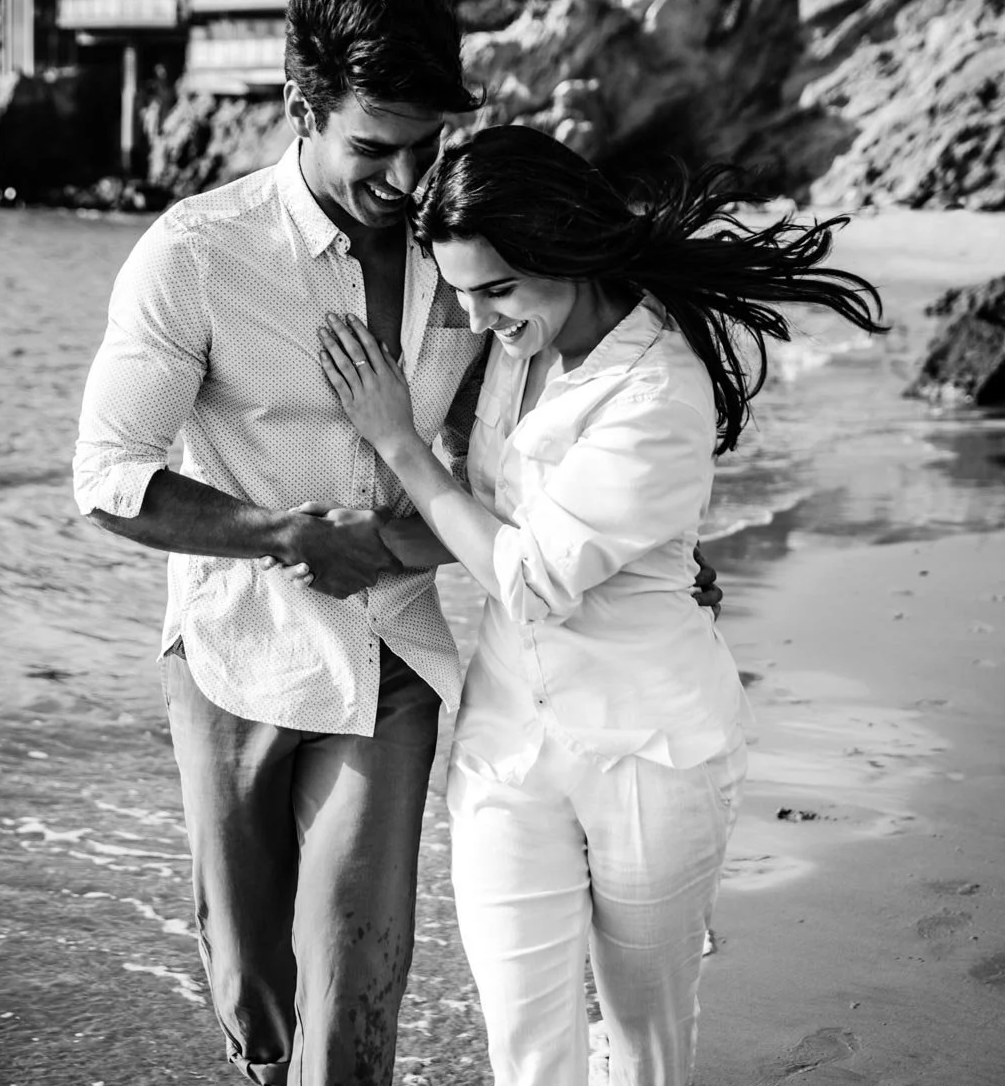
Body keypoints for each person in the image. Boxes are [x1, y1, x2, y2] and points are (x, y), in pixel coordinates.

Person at [72, 0, 722, 1085]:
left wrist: (653, 535)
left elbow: (533, 426)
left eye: (424, 145)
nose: (406, 177)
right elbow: (108, 476)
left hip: (396, 659)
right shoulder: (195, 254)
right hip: (237, 652)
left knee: (353, 989)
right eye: (375, 148)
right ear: (299, 109)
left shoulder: (461, 243)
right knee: (253, 991)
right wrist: (286, 536)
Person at [308, 124, 888, 1086]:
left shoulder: (660, 385)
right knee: (526, 1051)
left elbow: (533, 571)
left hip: (651, 752)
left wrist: (399, 443)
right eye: (464, 295)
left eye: (500, 291)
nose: (484, 318)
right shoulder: (513, 350)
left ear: (565, 250)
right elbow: (486, 519)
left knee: (645, 1037)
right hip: (508, 742)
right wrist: (337, 542)